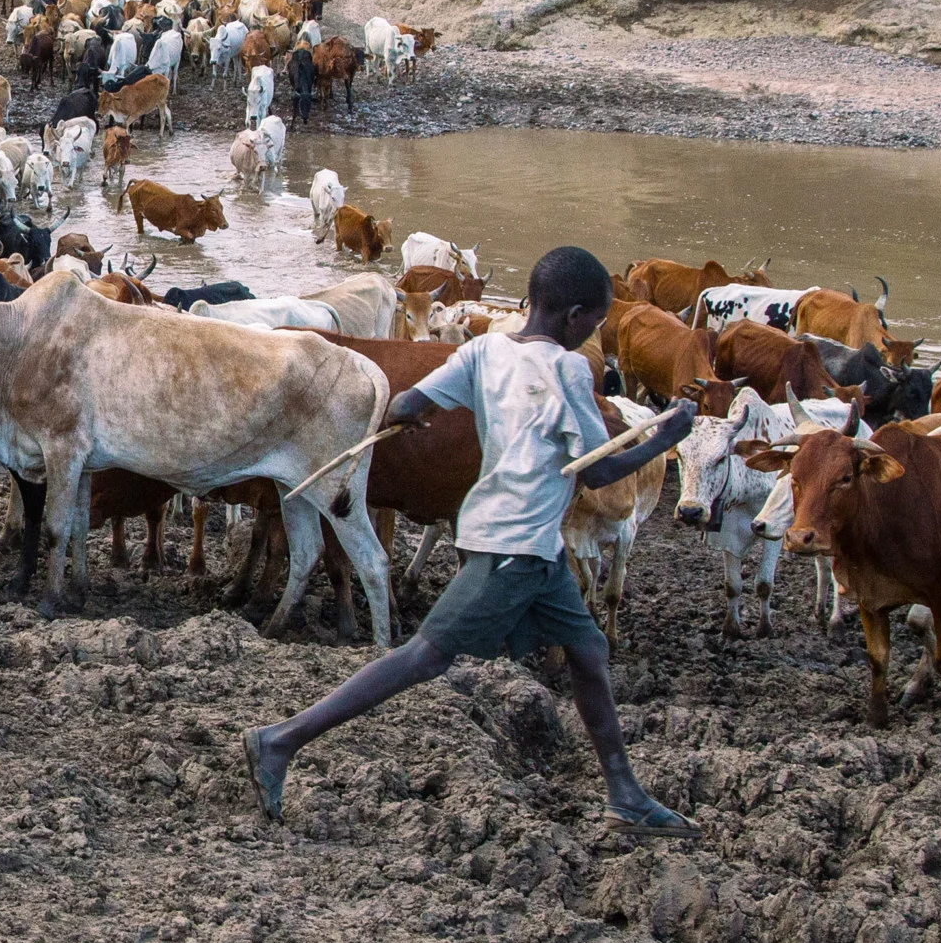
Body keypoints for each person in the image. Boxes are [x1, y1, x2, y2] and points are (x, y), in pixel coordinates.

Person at [241, 245, 701, 838]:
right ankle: (279, 741)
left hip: (532, 546)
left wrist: (413, 415)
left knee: (588, 651)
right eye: (597, 322)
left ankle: (625, 795)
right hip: (514, 547)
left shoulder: (483, 350)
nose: (595, 333)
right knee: (422, 657)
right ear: (575, 317)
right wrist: (669, 434)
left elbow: (406, 403)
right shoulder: (566, 371)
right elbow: (597, 472)